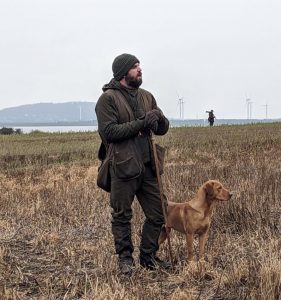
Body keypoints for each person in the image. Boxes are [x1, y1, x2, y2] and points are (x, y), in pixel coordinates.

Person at [95, 53, 171, 276]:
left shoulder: (147, 96)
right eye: (135, 66)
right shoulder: (107, 99)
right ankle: (125, 260)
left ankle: (148, 257)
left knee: (160, 212)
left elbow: (162, 129)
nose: (140, 69)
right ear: (122, 72)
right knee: (122, 215)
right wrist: (140, 123)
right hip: (123, 166)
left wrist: (159, 119)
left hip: (149, 166)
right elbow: (109, 132)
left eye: (139, 66)